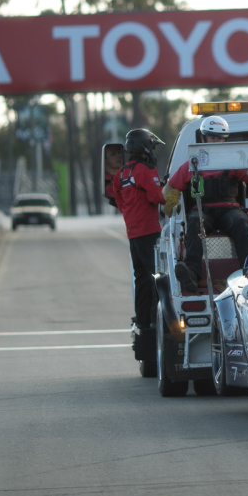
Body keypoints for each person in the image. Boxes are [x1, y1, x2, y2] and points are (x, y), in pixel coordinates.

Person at [164, 116, 248, 281]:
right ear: (203, 138)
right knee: (195, 221)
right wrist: (171, 197)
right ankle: (192, 274)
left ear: (225, 139)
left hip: (229, 211)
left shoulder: (233, 161)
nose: (216, 141)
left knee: (240, 221)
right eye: (212, 137)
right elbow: (169, 186)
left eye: (219, 138)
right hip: (203, 212)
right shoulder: (192, 164)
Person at [110, 128, 166, 357]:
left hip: (133, 233)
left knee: (141, 279)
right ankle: (158, 318)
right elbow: (157, 197)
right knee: (158, 280)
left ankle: (143, 321)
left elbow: (120, 202)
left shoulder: (120, 174)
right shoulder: (145, 171)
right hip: (150, 232)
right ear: (144, 148)